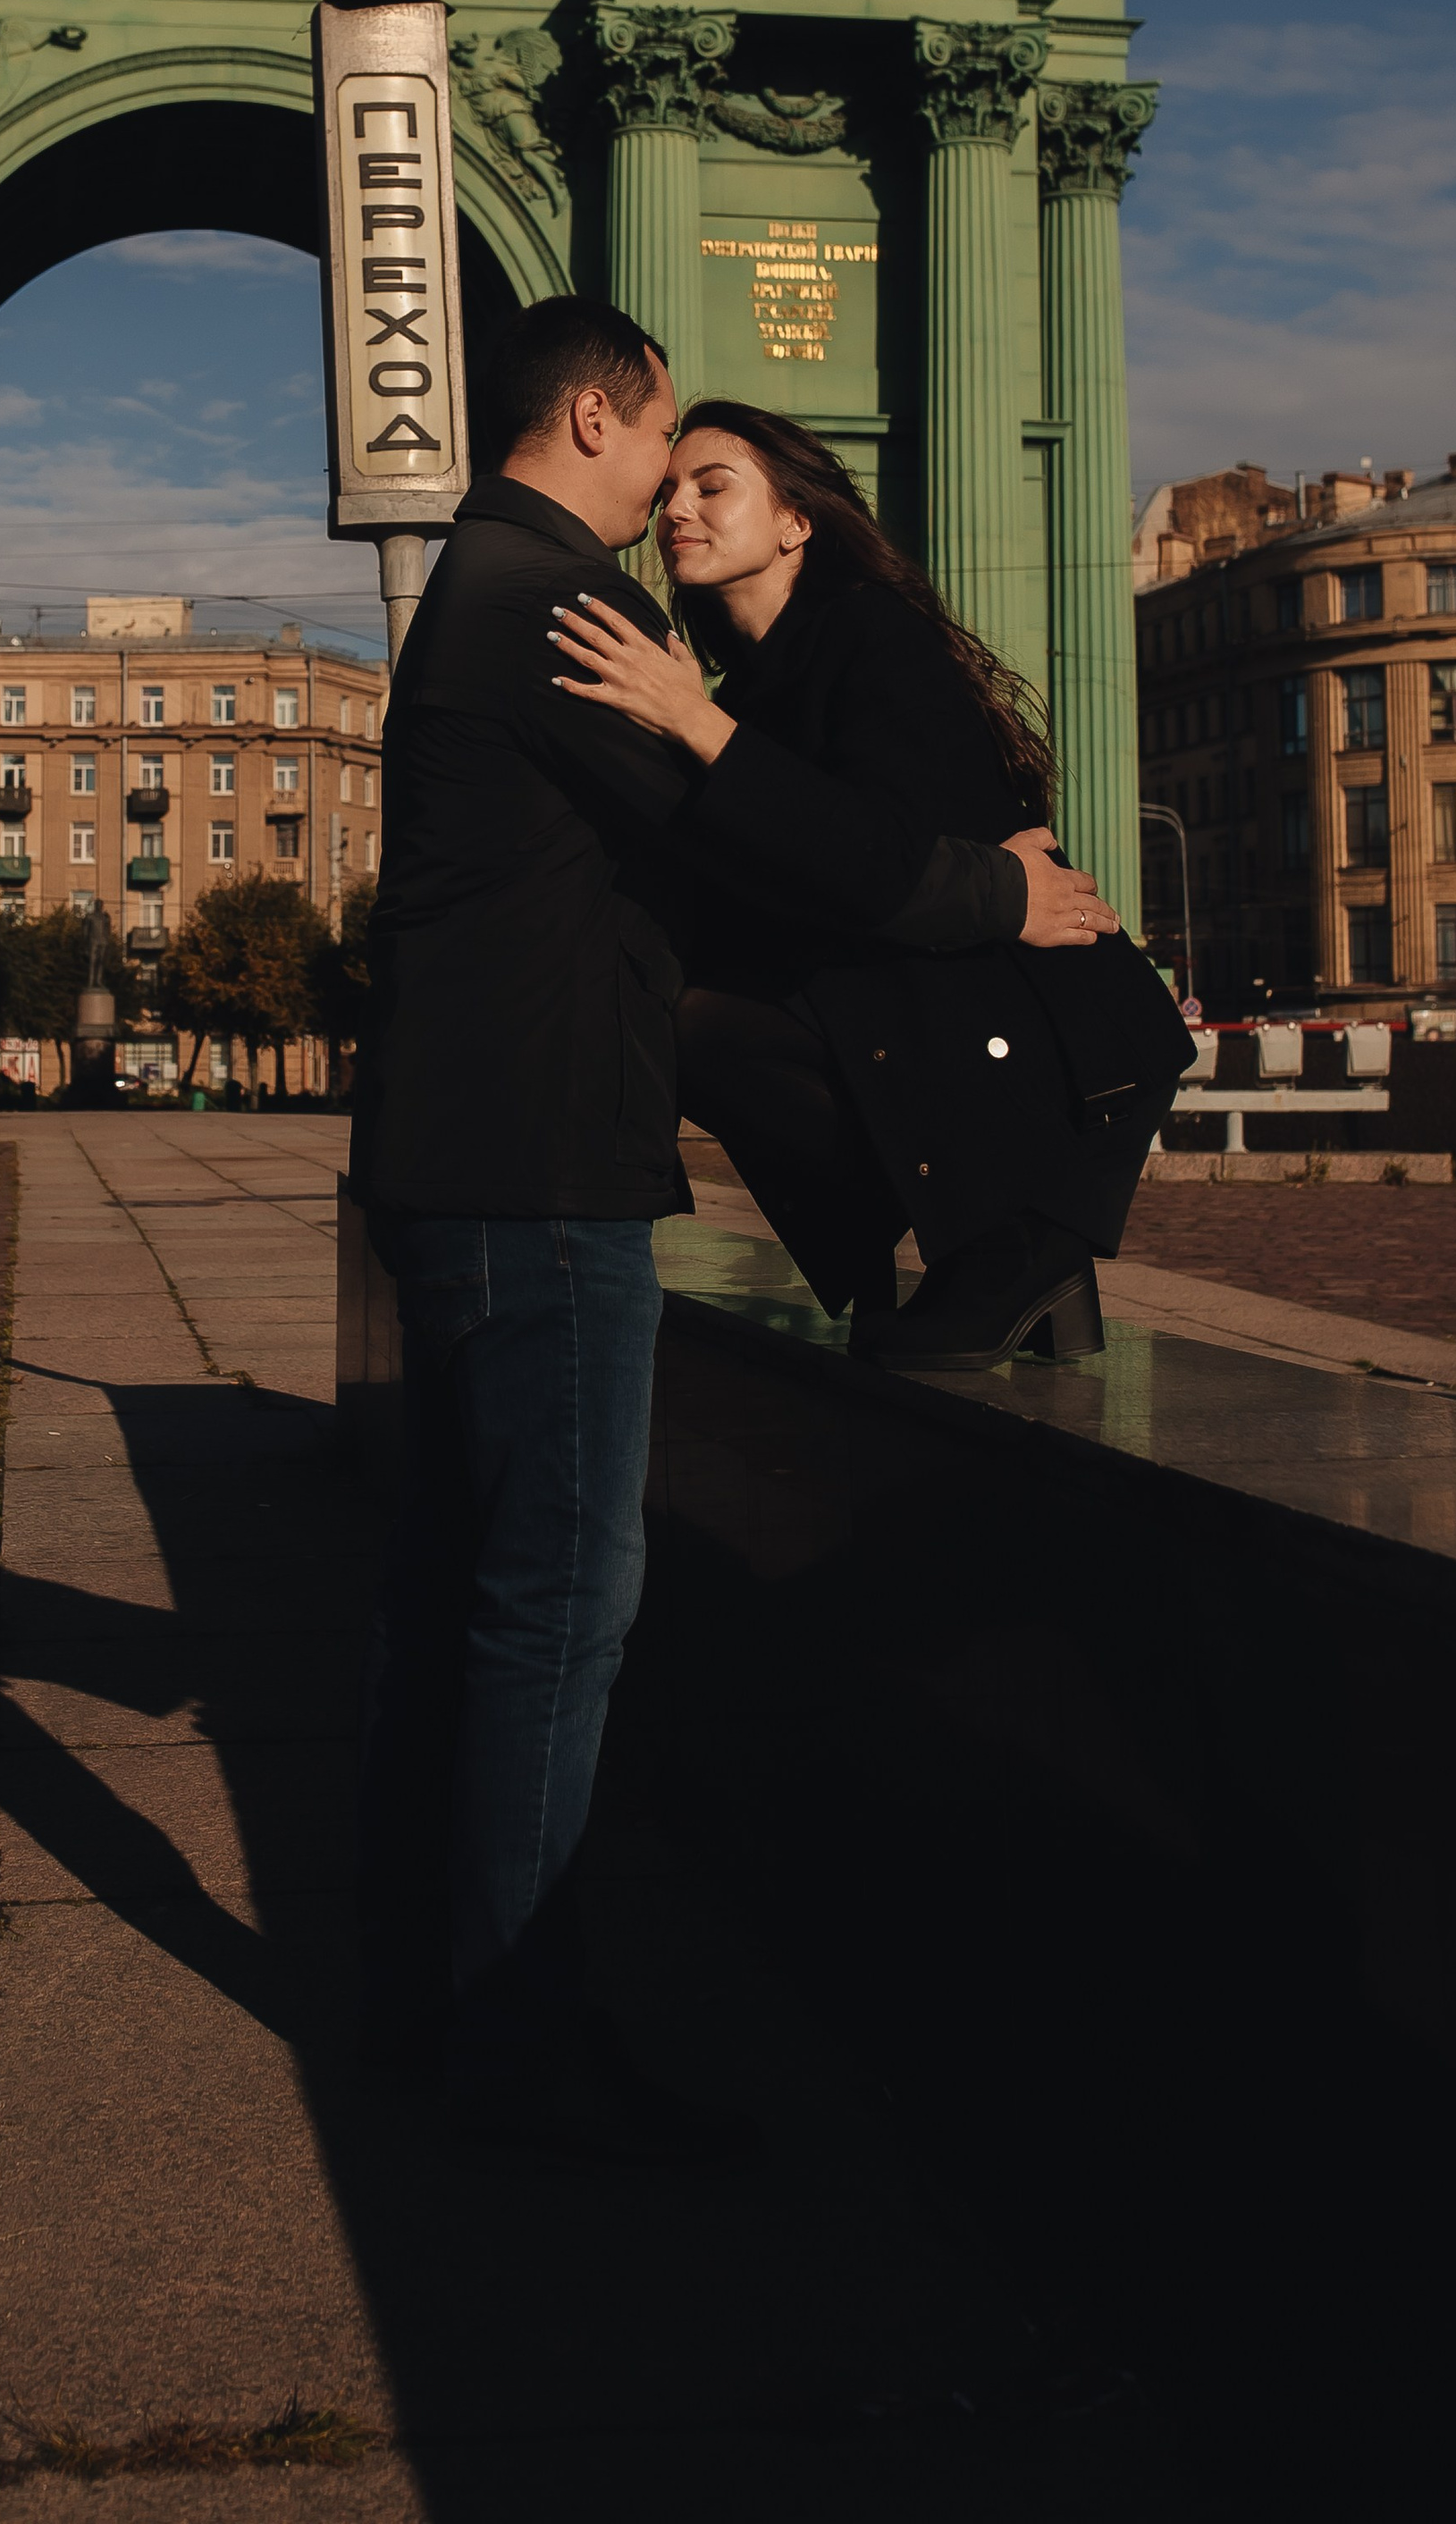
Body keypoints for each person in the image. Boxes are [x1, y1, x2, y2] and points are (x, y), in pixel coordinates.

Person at [352, 307, 1115, 2163]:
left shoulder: (487, 583)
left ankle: (438, 1987)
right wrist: (993, 893)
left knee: (479, 1596)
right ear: (595, 413)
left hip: (472, 1157)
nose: (662, 489)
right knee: (556, 1612)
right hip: (535, 1170)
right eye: (660, 446)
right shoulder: (555, 604)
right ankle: (517, 2045)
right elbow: (767, 845)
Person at [548, 402, 1189, 1370]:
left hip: (1045, 1044)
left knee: (675, 1016)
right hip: (953, 1029)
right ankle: (1006, 1248)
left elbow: (869, 859)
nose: (679, 506)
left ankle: (1014, 1239)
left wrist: (695, 726)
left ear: (796, 521)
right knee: (658, 999)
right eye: (670, 489)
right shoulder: (753, 689)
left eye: (713, 486)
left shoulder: (868, 633)